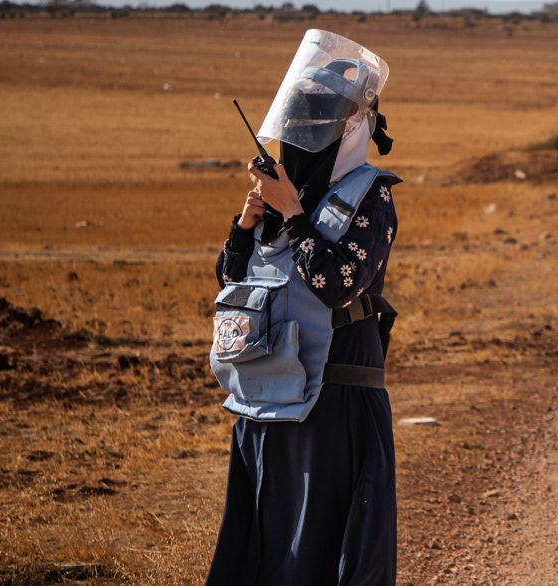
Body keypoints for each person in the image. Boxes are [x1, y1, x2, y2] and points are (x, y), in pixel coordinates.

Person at [204, 29, 402, 586]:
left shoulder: (371, 195)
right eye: (299, 120)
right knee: (266, 552)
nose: (305, 133)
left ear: (348, 127)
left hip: (333, 406)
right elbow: (233, 287)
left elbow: (336, 284)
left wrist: (292, 214)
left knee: (318, 556)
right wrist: (246, 226)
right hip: (266, 403)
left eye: (319, 121)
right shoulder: (281, 196)